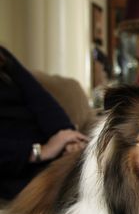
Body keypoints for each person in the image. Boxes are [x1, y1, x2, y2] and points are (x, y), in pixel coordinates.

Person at [0, 46, 88, 200]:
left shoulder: (3, 55)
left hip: (53, 150)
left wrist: (67, 136)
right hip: (18, 169)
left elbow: (38, 97)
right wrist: (40, 151)